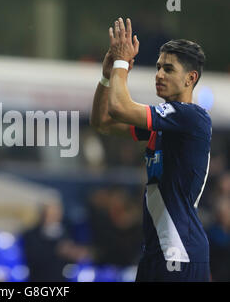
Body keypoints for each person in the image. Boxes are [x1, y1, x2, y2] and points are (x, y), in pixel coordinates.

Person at [90, 17, 210, 281]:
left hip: (180, 253)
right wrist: (107, 75)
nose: (159, 75)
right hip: (156, 252)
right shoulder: (165, 123)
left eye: (168, 69)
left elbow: (119, 107)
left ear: (191, 78)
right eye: (158, 67)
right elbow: (103, 122)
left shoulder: (191, 117)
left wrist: (122, 62)